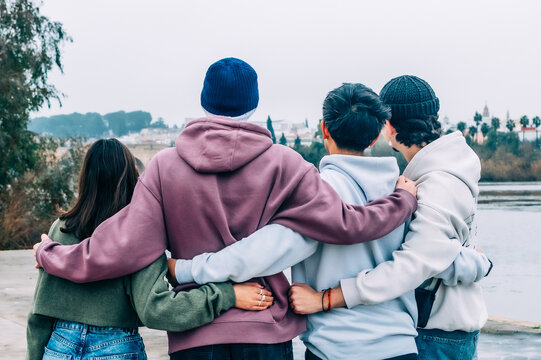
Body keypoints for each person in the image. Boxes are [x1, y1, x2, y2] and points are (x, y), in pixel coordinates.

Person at [33, 58, 418, 360]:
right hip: (266, 327)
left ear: (204, 100)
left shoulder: (164, 168)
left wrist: (51, 253)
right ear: (253, 103)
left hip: (195, 338)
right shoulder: (286, 164)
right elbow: (346, 224)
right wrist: (403, 200)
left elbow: (121, 245)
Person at [169, 83, 491, 360]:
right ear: (377, 132)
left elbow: (262, 253)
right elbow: (433, 259)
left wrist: (186, 269)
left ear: (324, 129)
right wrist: (479, 264)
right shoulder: (406, 191)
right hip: (400, 347)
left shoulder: (317, 195)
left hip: (337, 348)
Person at [290, 75, 490, 360]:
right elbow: (437, 254)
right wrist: (476, 261)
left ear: (387, 127)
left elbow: (412, 265)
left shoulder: (437, 184)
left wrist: (326, 298)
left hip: (437, 334)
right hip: (430, 328)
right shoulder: (421, 177)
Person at [27, 139, 273, 360]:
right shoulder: (140, 233)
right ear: (132, 178)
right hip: (116, 347)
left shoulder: (59, 230)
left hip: (59, 345)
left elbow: (39, 314)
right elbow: (156, 310)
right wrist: (226, 295)